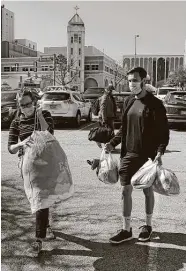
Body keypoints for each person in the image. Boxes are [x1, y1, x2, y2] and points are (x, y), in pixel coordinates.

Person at [105, 67, 169, 244]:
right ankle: (126, 229)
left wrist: (159, 152)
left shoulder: (155, 104)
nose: (131, 83)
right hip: (128, 154)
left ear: (143, 81)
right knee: (125, 191)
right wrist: (112, 144)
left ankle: (148, 225)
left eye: (134, 80)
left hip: (147, 156)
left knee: (147, 191)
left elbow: (163, 132)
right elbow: (123, 129)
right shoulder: (128, 102)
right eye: (129, 80)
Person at [8, 89, 55, 255]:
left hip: (45, 162)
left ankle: (38, 239)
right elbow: (10, 147)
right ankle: (46, 225)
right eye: (22, 105)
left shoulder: (45, 115)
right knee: (38, 199)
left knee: (40, 198)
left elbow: (48, 133)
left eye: (28, 104)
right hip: (27, 165)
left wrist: (40, 114)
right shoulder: (16, 122)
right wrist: (20, 145)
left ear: (34, 103)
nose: (25, 107)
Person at [96, 84, 116, 148]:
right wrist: (104, 119)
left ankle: (109, 145)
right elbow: (103, 108)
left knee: (109, 132)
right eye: (111, 90)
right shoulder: (105, 97)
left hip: (109, 117)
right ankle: (100, 141)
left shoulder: (109, 97)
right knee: (107, 132)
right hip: (106, 118)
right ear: (108, 90)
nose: (112, 92)